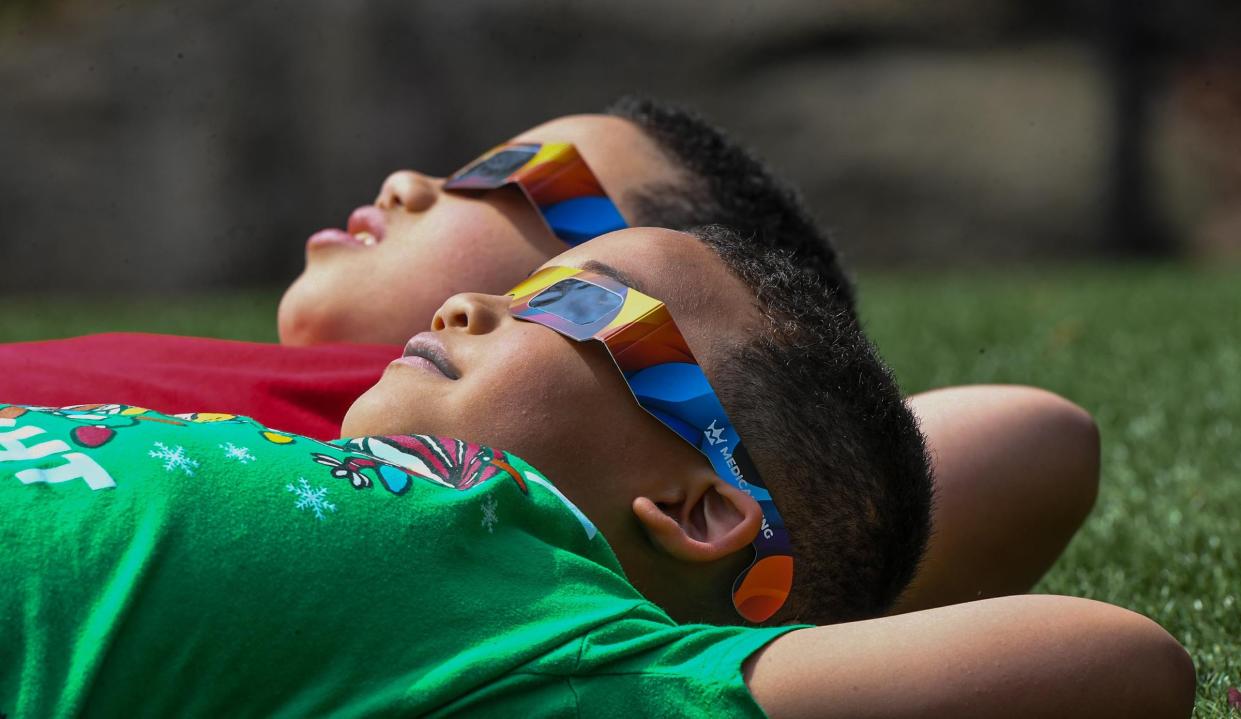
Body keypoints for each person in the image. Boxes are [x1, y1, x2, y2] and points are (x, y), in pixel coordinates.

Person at [1, 227, 1192, 717]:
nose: (462, 300)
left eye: (570, 302)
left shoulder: (551, 632)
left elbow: (1117, 659)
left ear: (698, 502)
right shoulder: (302, 444)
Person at [0, 97, 1099, 615]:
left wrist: (769, 441)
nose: (410, 184)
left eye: (523, 183)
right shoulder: (343, 391)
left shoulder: (427, 475)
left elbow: (1024, 439)